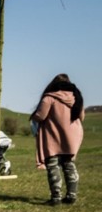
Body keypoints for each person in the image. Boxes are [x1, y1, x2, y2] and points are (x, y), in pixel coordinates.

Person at [30, 73, 84, 205]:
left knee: (53, 165)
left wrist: (33, 117)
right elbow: (81, 117)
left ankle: (56, 197)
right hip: (72, 137)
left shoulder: (49, 98)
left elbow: (40, 116)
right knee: (69, 165)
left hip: (53, 137)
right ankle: (72, 195)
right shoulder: (76, 97)